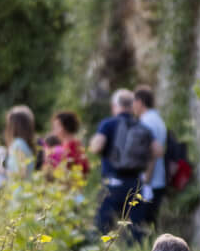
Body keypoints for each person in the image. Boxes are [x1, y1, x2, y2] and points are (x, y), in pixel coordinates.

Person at [89, 89, 152, 238]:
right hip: (136, 184)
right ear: (132, 106)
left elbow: (97, 147)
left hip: (112, 184)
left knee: (101, 228)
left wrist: (93, 144)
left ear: (114, 106)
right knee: (136, 230)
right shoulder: (142, 126)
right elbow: (156, 151)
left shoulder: (108, 124)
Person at [130, 86, 167, 232]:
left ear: (140, 102)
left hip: (149, 179)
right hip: (158, 179)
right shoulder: (157, 119)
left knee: (140, 226)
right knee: (150, 223)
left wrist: (146, 181)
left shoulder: (147, 122)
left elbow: (151, 152)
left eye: (134, 102)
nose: (133, 106)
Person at [0, 105, 38, 188]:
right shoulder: (24, 144)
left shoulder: (19, 144)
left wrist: (2, 171)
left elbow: (22, 174)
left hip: (20, 195)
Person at [45, 109, 90, 180]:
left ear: (64, 128)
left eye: (56, 127)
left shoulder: (70, 148)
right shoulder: (76, 145)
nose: (54, 132)